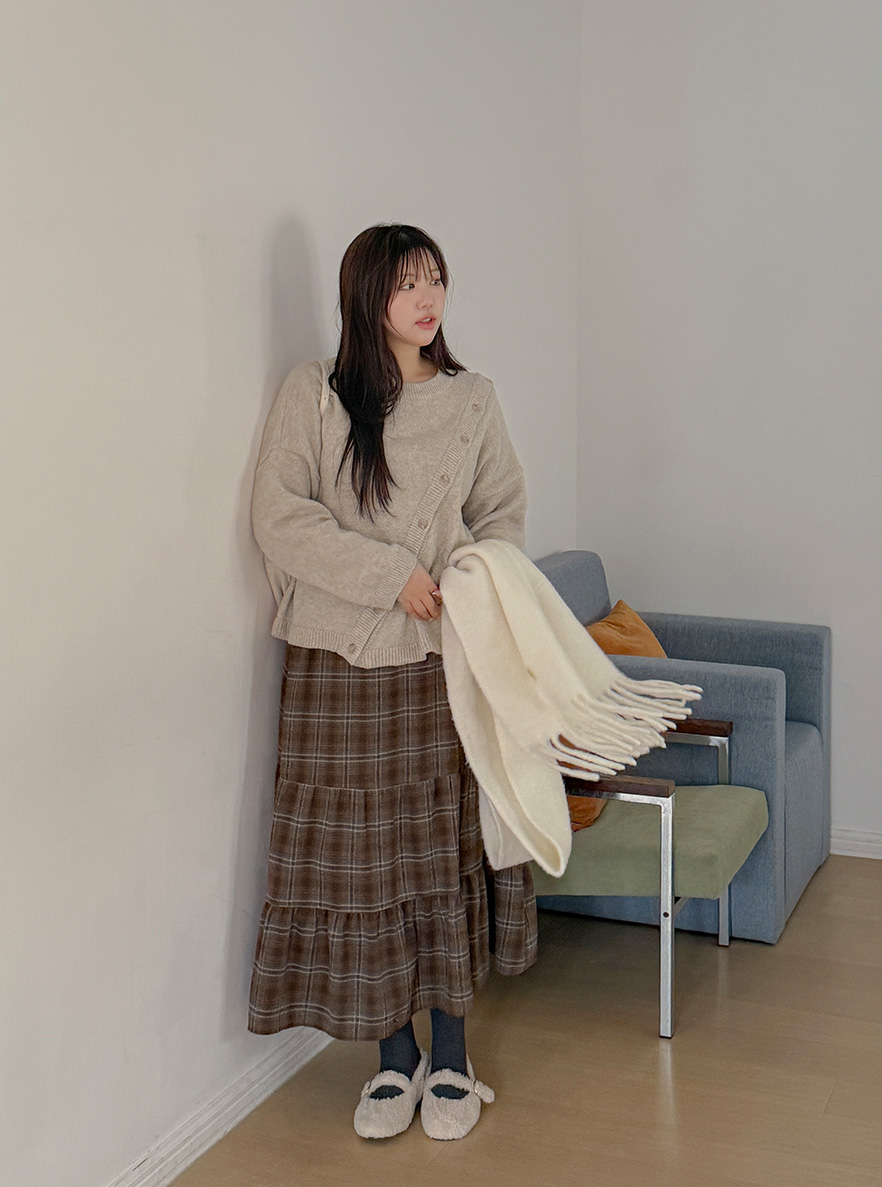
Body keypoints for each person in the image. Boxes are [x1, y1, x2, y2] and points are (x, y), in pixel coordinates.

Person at [248, 223, 537, 1141]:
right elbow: (278, 517)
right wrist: (391, 575)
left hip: (436, 661)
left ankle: (451, 1056)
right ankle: (392, 1059)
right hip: (336, 667)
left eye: (436, 279)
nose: (428, 298)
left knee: (437, 852)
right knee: (362, 864)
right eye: (408, 282)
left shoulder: (472, 399)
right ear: (365, 294)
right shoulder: (317, 393)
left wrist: (469, 582)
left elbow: (502, 515)